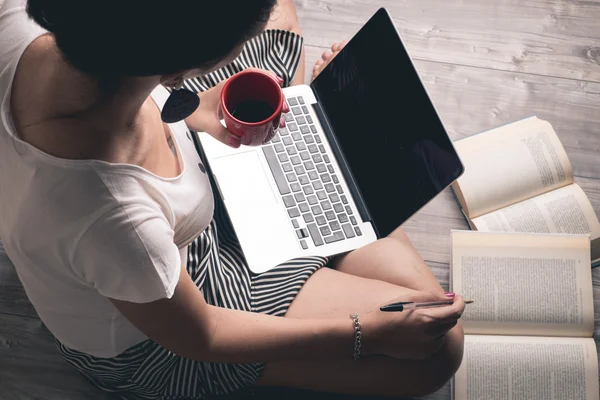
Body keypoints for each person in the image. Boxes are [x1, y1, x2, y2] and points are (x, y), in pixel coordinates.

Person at [0, 0, 465, 398]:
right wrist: (365, 330)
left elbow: (149, 99)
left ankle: (324, 184)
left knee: (277, 13)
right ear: (180, 67)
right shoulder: (113, 218)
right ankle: (335, 183)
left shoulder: (18, 22)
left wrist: (200, 108)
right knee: (439, 348)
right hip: (178, 316)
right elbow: (204, 334)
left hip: (162, 220)